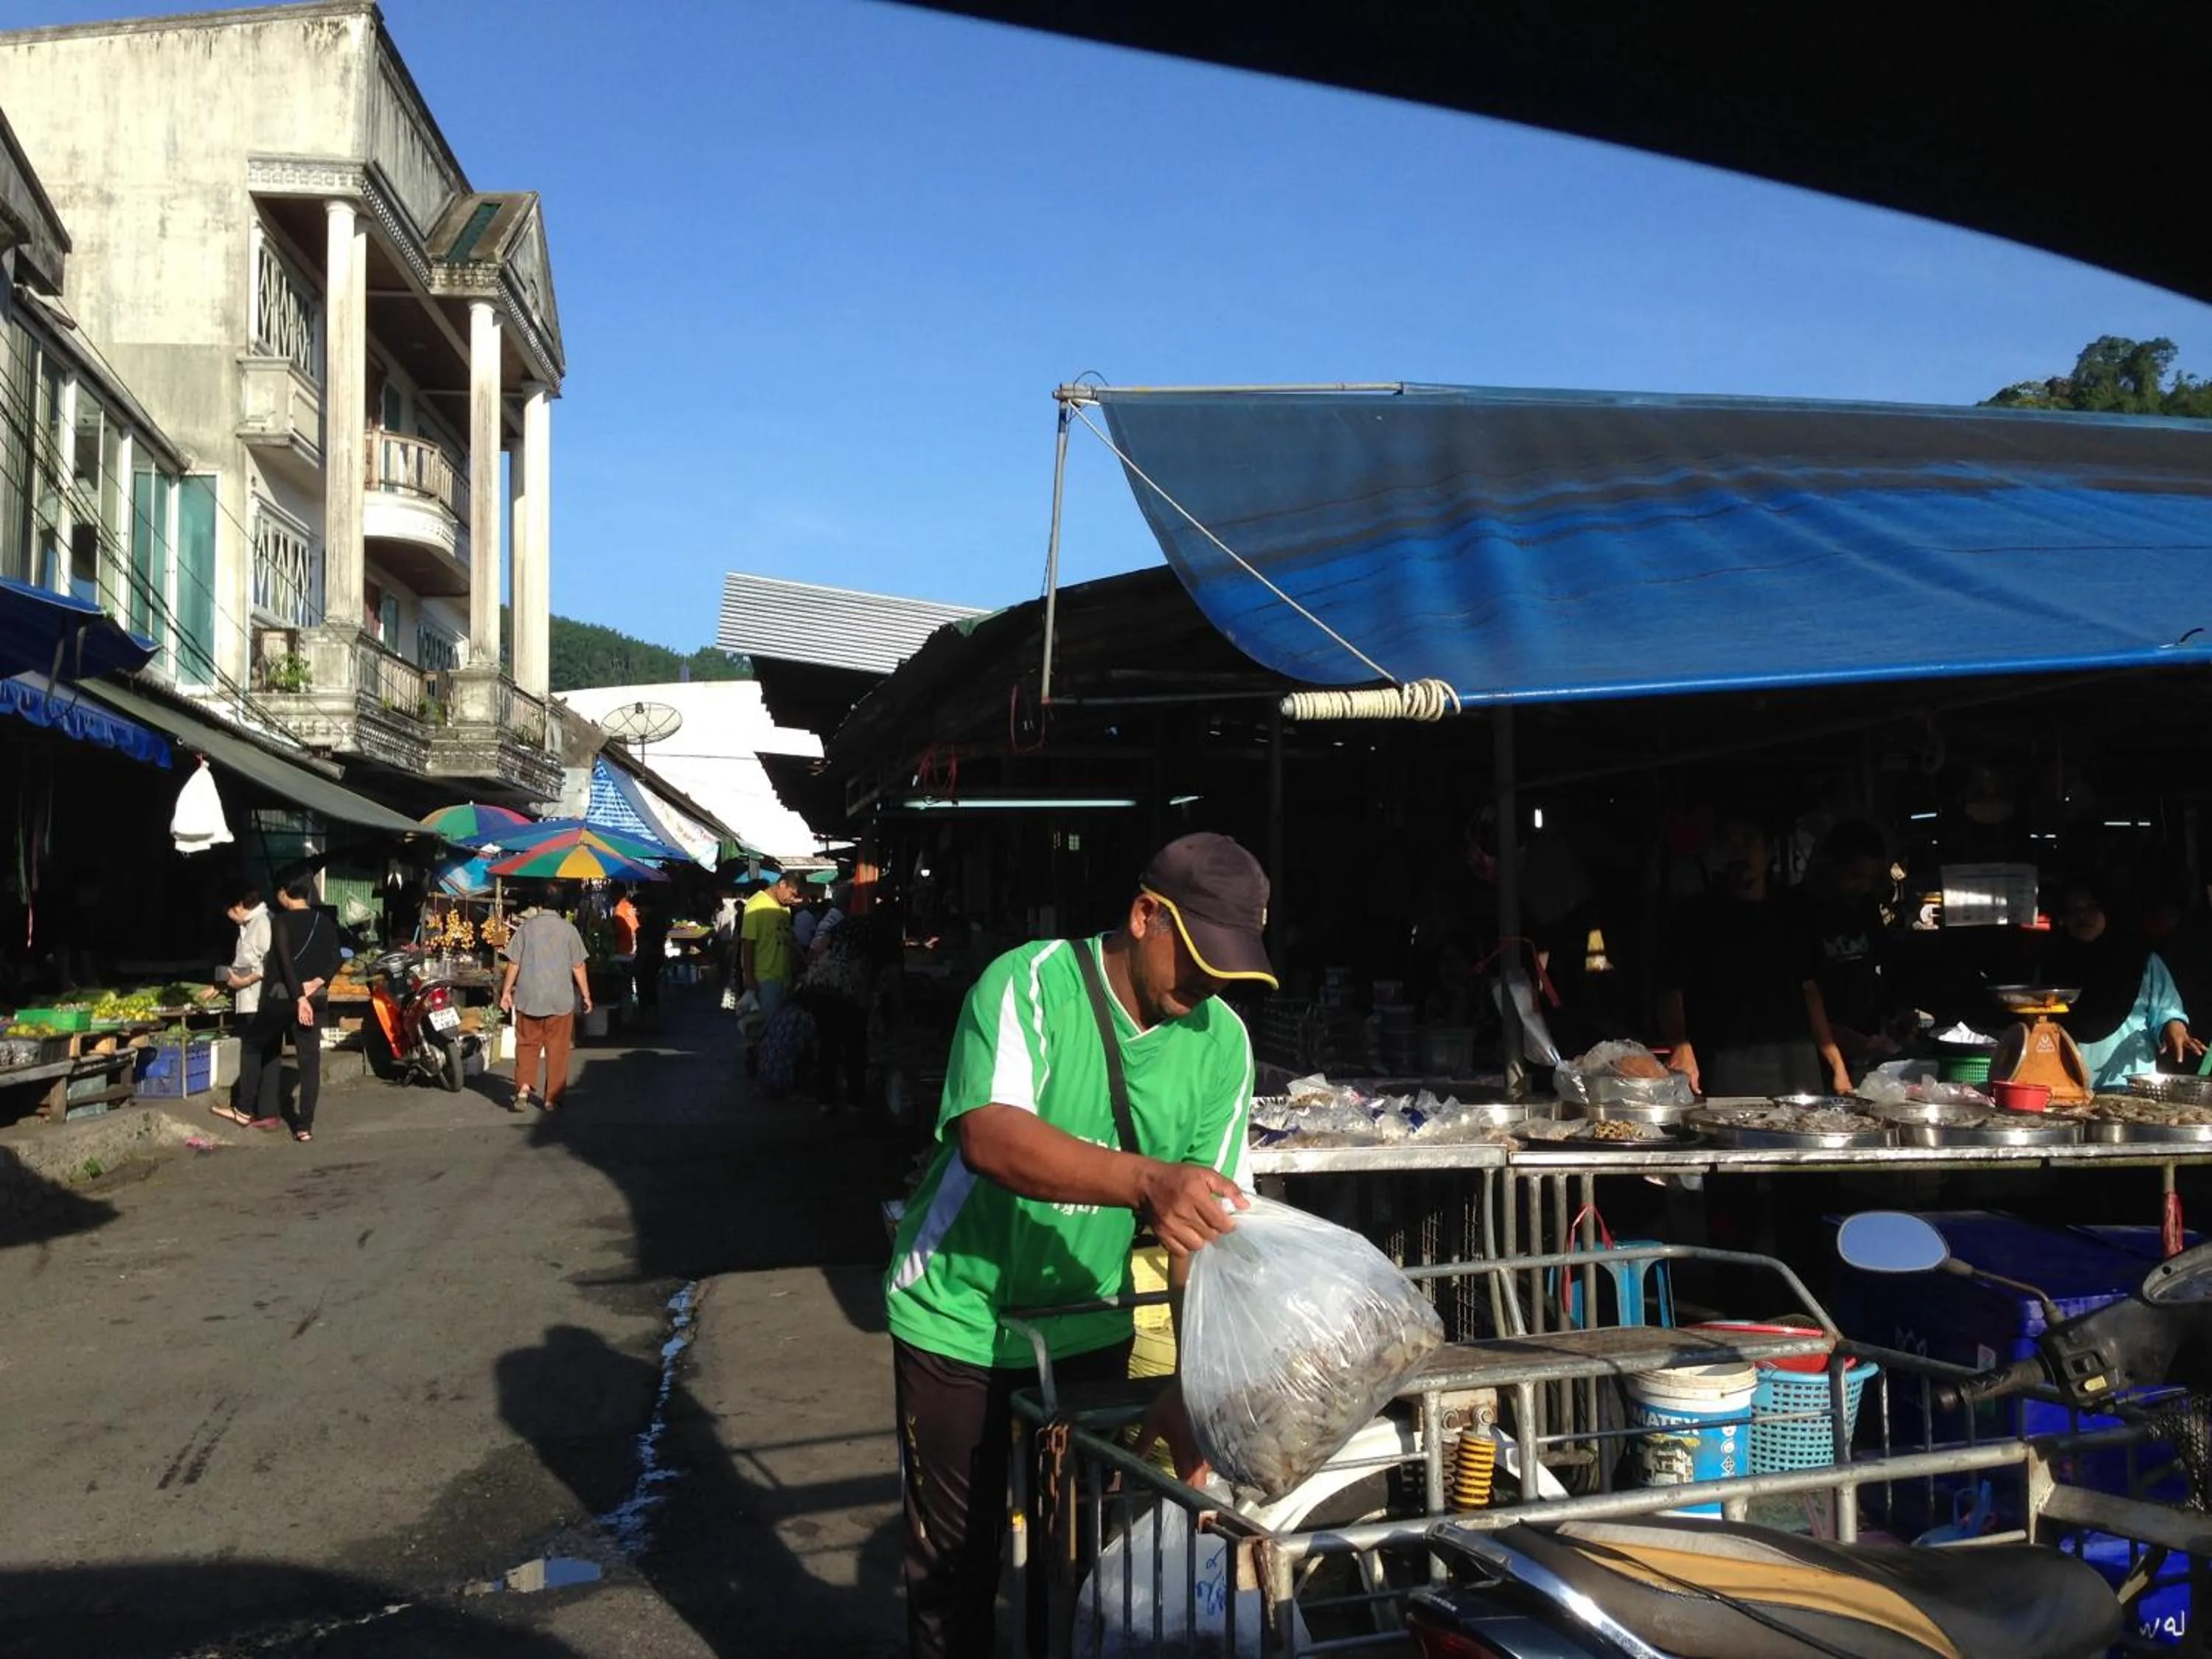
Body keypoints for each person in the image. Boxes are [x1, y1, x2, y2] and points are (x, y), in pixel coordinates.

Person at [883, 832, 1276, 1659]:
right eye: (1200, 958)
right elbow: (991, 1137)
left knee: (1079, 1569)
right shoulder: (1028, 983)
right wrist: (1146, 1181)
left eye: (1230, 970)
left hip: (1090, 1317)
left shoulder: (1222, 1044)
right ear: (1144, 916)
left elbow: (1198, 1227)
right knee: (957, 1566)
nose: (1208, 984)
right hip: (958, 1315)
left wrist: (1186, 1383)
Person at [1658, 809, 1853, 1098]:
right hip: (1725, 1077)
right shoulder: (1694, 916)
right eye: (1728, 843)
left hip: (1798, 1074)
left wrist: (1836, 1063)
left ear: (1769, 851)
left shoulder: (1795, 911)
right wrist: (1682, 1047)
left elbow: (1810, 990)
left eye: (1748, 841)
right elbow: (1670, 992)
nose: (1738, 852)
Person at [2045, 875, 2205, 1088]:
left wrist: (2175, 1029)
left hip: (2128, 1089)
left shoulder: (2141, 962)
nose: (2082, 916)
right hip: (2063, 1088)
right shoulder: (2052, 963)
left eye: (2092, 907)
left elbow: (2168, 1010)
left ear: (2109, 911)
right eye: (2073, 910)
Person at [238, 876, 340, 1144]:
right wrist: (319, 982)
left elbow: (284, 961)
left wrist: (298, 998)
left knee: (254, 1044)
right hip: (315, 998)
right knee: (310, 1062)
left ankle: (245, 1108)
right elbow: (338, 957)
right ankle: (305, 1126)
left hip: (284, 999)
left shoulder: (281, 921)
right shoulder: (325, 922)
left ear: (285, 894)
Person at [1800, 820, 1898, 1079]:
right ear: (1829, 864)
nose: (1863, 887)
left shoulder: (1864, 907)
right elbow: (1800, 993)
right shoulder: (1795, 911)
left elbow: (1878, 966)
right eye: (1854, 876)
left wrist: (1892, 1020)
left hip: (1866, 1050)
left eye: (1870, 879)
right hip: (1810, 1056)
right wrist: (1831, 1036)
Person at [500, 885, 593, 1112]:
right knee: (558, 1049)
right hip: (560, 999)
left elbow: (514, 963)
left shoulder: (526, 929)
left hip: (529, 997)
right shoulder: (569, 930)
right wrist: (587, 995)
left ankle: (523, 1087)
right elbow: (578, 965)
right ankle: (551, 1099)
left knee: (527, 1044)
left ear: (538, 904)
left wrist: (505, 992)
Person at [213, 887, 275, 1127]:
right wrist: (221, 986)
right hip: (252, 997)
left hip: (258, 999)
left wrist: (244, 981)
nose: (228, 915)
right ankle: (269, 1112)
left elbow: (268, 962)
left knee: (251, 1051)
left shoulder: (261, 923)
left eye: (228, 910)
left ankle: (244, 1109)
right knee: (270, 1054)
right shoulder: (251, 924)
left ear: (239, 905)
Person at [739, 872, 804, 1018]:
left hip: (785, 978)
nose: (793, 899)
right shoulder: (756, 905)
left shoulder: (785, 908)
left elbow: (788, 938)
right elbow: (748, 942)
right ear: (782, 885)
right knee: (767, 1026)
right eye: (792, 894)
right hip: (765, 979)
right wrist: (749, 977)